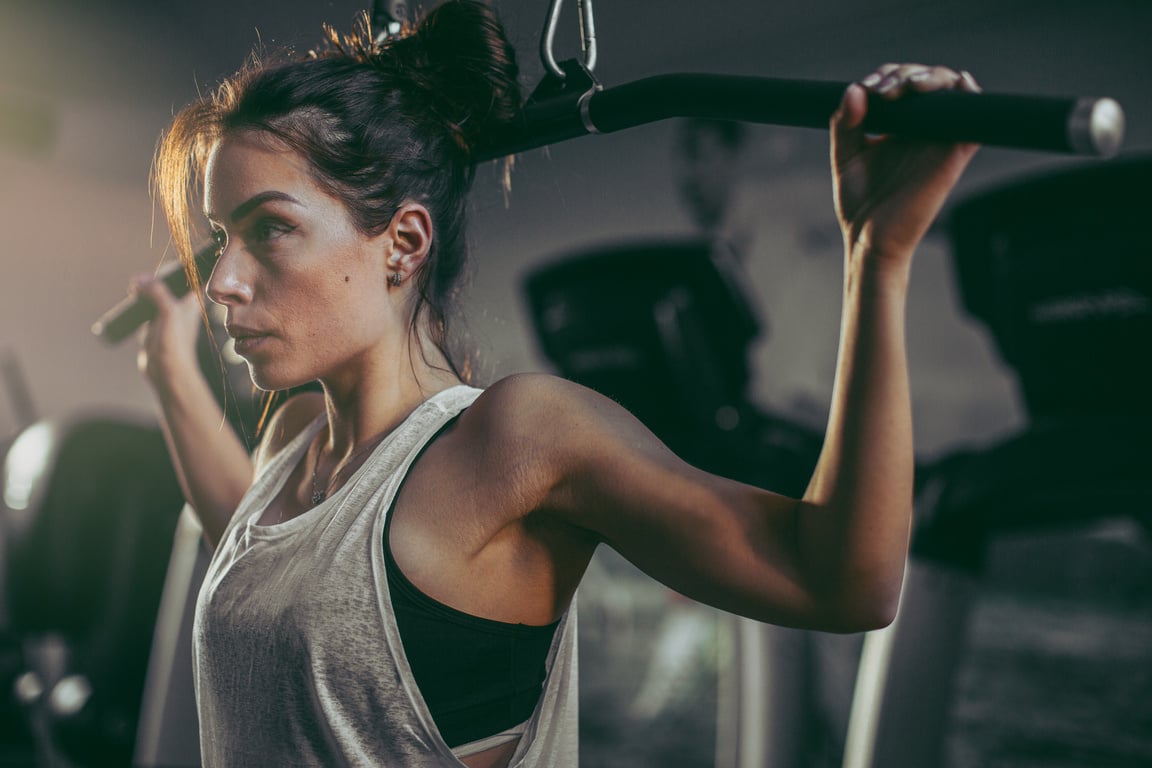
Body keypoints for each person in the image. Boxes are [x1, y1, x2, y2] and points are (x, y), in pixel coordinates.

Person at [130, 0, 981, 765]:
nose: (223, 281)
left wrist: (878, 253)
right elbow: (258, 570)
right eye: (220, 239)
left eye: (269, 229)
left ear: (403, 242)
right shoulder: (292, 443)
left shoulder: (513, 439)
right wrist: (168, 368)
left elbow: (845, 582)